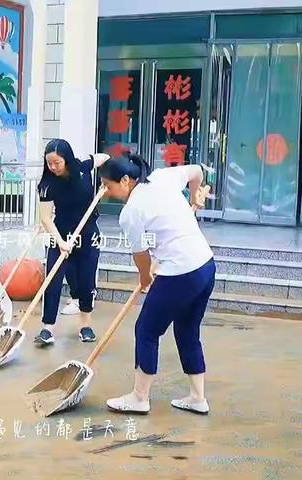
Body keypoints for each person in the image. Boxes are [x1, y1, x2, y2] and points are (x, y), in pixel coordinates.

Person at [99, 154, 215, 415]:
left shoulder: (131, 212)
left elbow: (140, 256)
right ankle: (198, 397)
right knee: (187, 331)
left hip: (180, 273)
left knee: (147, 330)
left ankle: (140, 398)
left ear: (126, 180)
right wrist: (195, 195)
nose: (106, 191)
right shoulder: (163, 177)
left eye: (108, 185)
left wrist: (144, 278)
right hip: (206, 267)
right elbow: (197, 171)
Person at [35, 139, 109, 345]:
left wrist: (107, 180)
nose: (53, 167)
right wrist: (60, 242)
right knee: (53, 279)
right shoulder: (46, 185)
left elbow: (105, 158)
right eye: (49, 163)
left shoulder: (83, 167)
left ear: (67, 159)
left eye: (57, 162)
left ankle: (85, 325)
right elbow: (46, 218)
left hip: (88, 233)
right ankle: (47, 328)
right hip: (60, 235)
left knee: (86, 281)